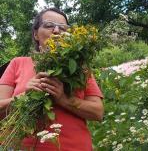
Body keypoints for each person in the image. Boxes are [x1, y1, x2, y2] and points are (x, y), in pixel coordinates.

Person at [0, 8, 104, 151]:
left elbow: (98, 112)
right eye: (49, 25)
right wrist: (26, 96)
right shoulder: (18, 63)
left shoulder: (80, 68)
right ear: (36, 34)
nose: (56, 31)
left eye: (63, 28)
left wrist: (63, 99)